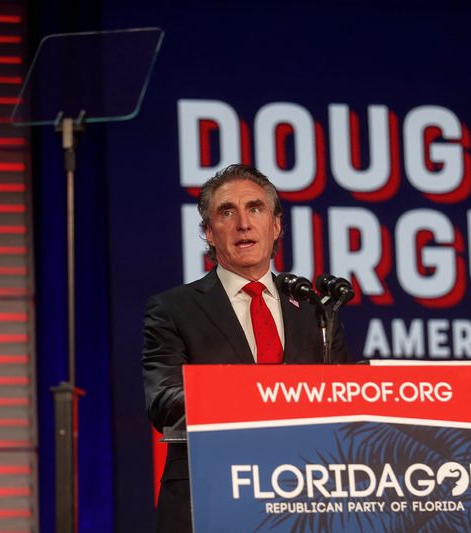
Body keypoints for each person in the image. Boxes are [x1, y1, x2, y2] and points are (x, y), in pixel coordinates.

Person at [142, 164, 348, 532]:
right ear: (209, 232)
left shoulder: (314, 311)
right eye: (226, 212)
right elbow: (164, 400)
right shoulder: (173, 309)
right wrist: (259, 400)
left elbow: (344, 404)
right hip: (210, 494)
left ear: (276, 225)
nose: (243, 223)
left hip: (308, 497)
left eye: (255, 208)